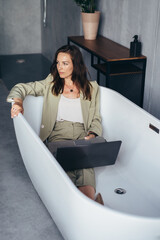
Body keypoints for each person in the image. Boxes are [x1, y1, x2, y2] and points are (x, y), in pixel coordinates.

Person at [7, 45, 104, 204]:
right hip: (58, 134)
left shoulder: (92, 88)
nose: (60, 67)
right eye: (58, 63)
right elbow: (22, 87)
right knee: (62, 170)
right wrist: (18, 102)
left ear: (76, 64)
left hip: (82, 135)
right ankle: (86, 205)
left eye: (65, 63)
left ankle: (90, 205)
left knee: (86, 168)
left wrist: (92, 135)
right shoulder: (51, 82)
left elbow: (95, 118)